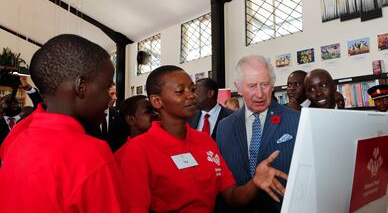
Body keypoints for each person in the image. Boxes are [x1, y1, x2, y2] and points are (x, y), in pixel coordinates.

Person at [118, 65, 288, 213]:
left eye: (192, 90)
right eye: (180, 91)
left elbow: (231, 196)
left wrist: (255, 183)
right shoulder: (139, 149)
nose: (191, 96)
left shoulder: (205, 141)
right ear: (157, 101)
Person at [0, 34, 122, 213]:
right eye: (106, 88)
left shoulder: (16, 136)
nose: (109, 98)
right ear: (82, 87)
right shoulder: (92, 155)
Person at [216, 55, 300, 213]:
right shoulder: (224, 127)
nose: (260, 94)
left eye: (265, 85)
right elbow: (222, 183)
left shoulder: (296, 120)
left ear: (273, 84)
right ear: (238, 88)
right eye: (252, 86)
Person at [114, 95, 158, 165]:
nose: (156, 114)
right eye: (148, 111)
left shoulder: (164, 143)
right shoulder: (121, 157)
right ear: (131, 120)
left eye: (155, 110)